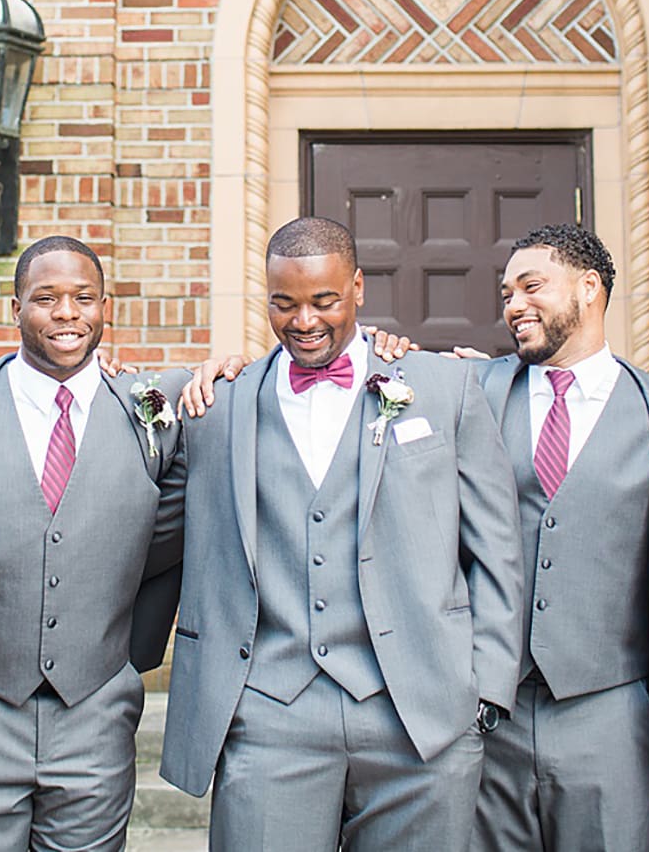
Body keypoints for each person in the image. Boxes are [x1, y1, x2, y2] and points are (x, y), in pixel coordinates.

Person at [161, 216, 520, 850]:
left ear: (357, 287)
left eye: (324, 300)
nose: (304, 321)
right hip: (271, 710)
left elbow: (494, 548)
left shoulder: (441, 388)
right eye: (284, 303)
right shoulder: (217, 405)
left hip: (421, 716)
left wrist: (485, 687)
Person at [0, 235, 188, 852]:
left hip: (96, 709)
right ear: (15, 309)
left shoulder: (155, 414)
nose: (67, 313)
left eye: (84, 298)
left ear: (106, 307)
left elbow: (167, 538)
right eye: (47, 298)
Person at [468, 224, 649, 851]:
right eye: (505, 294)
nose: (513, 304)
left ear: (589, 287)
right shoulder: (471, 393)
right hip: (489, 708)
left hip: (607, 709)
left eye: (530, 286)